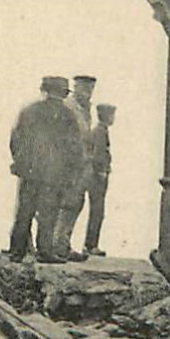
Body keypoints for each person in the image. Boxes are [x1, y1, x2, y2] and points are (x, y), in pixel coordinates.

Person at [8, 76, 85, 263]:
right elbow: (74, 148)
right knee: (48, 213)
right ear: (63, 93)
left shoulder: (29, 111)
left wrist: (22, 162)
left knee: (24, 211)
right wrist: (72, 172)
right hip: (54, 174)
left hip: (30, 171)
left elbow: (15, 140)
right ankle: (45, 251)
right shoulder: (68, 116)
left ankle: (16, 252)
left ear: (44, 90)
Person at [51, 74, 96, 261]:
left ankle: (62, 243)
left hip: (81, 165)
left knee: (75, 204)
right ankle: (57, 245)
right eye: (83, 89)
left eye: (90, 89)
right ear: (75, 88)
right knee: (65, 204)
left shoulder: (86, 109)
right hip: (68, 165)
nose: (87, 93)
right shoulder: (68, 107)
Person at [83, 103, 114, 256]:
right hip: (98, 177)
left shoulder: (99, 131)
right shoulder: (101, 132)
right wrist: (101, 171)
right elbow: (99, 154)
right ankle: (91, 245)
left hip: (96, 175)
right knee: (97, 211)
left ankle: (90, 244)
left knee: (97, 211)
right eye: (112, 115)